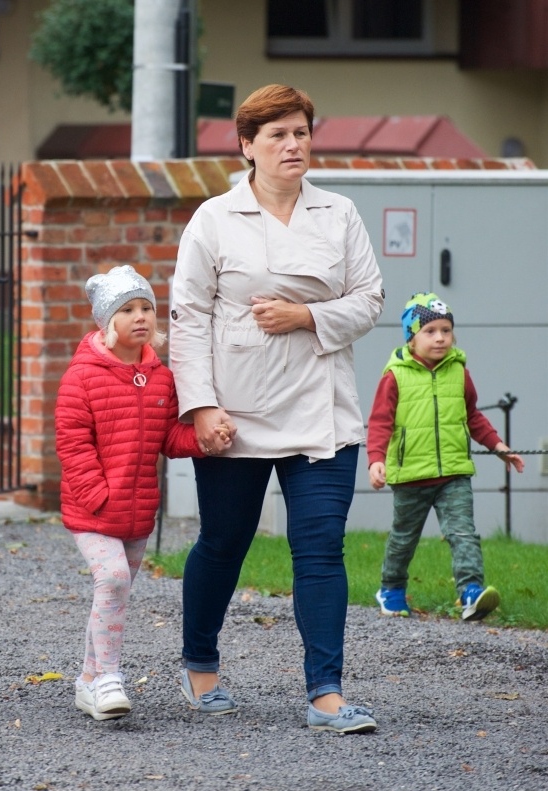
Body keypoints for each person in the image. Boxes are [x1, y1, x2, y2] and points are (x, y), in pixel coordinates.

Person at [170, 84, 383, 732]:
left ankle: (326, 693)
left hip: (322, 413)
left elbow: (369, 300)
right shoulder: (214, 219)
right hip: (235, 414)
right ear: (247, 145)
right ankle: (200, 664)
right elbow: (187, 317)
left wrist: (306, 316)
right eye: (278, 135)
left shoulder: (339, 214)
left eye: (301, 132)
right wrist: (201, 407)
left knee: (320, 548)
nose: (294, 145)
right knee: (224, 541)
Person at [55, 265, 229, 721]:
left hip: (137, 514)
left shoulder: (160, 378)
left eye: (147, 308)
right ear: (106, 321)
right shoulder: (82, 376)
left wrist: (204, 441)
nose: (140, 317)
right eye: (127, 309)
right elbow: (72, 443)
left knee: (113, 593)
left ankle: (89, 681)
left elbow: (169, 437)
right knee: (112, 580)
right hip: (93, 509)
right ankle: (109, 678)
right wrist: (99, 496)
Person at [368, 292, 524, 621]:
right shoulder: (395, 375)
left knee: (463, 533)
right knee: (403, 538)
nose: (440, 338)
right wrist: (376, 459)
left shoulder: (459, 372)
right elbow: (381, 422)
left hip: (454, 473)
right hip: (411, 475)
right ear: (411, 337)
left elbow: (473, 416)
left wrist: (499, 447)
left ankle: (471, 592)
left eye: (446, 330)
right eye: (430, 331)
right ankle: (391, 589)